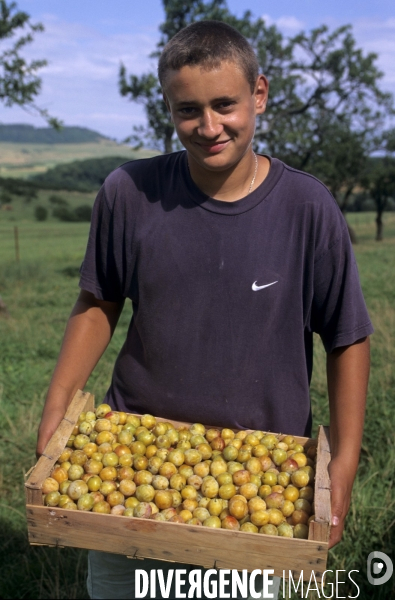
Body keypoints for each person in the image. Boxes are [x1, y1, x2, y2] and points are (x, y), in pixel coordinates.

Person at [36, 20, 372, 600]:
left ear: (258, 95)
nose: (209, 126)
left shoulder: (306, 208)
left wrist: (342, 462)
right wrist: (57, 408)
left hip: (266, 480)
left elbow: (346, 337)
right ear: (167, 107)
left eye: (225, 105)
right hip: (133, 470)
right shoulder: (129, 193)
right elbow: (98, 299)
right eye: (188, 109)